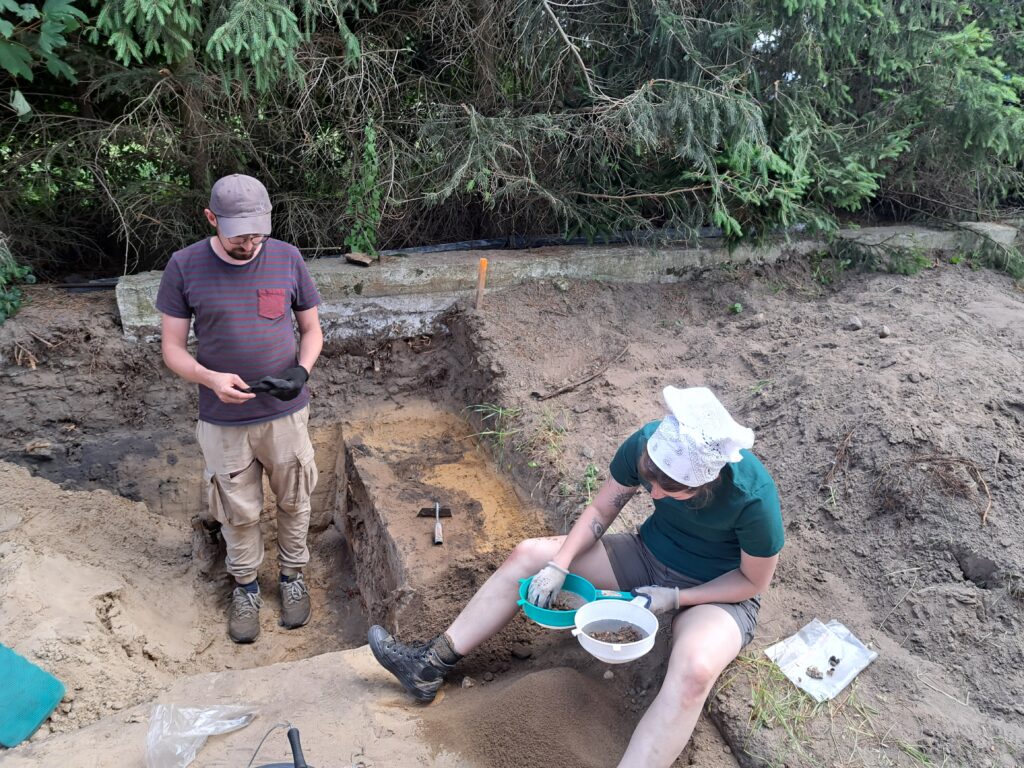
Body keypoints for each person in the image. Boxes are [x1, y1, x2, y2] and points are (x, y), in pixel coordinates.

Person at [368, 386, 783, 767]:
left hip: (719, 593)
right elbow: (602, 511)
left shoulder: (753, 499)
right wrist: (559, 565)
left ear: (706, 482)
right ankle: (429, 664)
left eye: (670, 490)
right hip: (647, 554)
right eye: (650, 481)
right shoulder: (647, 444)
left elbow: (752, 582)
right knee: (529, 554)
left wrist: (675, 599)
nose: (654, 495)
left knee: (694, 671)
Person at [156, 174, 323, 644]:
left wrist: (301, 372)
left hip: (285, 416)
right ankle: (246, 587)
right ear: (211, 219)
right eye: (239, 235)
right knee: (237, 510)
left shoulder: (286, 257)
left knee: (295, 499)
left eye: (258, 234)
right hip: (222, 421)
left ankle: (292, 577)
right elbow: (173, 349)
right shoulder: (184, 266)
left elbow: (311, 331)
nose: (250, 244)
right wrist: (209, 378)